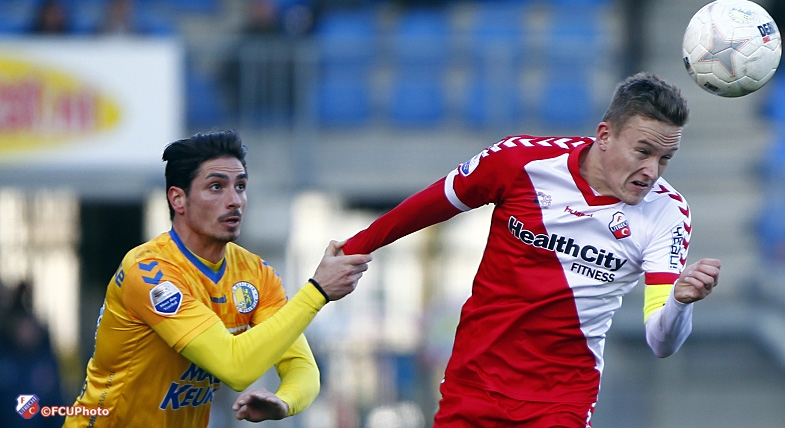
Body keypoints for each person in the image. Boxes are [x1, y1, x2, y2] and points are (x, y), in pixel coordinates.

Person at [342, 72, 722, 427]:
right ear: (604, 135)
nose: (652, 171)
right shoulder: (521, 161)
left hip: (560, 403)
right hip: (473, 385)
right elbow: (428, 205)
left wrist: (680, 302)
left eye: (665, 159)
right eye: (643, 152)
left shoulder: (667, 213)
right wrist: (350, 251)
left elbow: (661, 341)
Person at [63, 130, 372, 427]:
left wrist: (285, 401)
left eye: (240, 186)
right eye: (216, 187)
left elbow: (301, 366)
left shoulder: (255, 274)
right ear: (178, 200)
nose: (234, 199)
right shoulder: (151, 273)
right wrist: (316, 291)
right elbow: (234, 366)